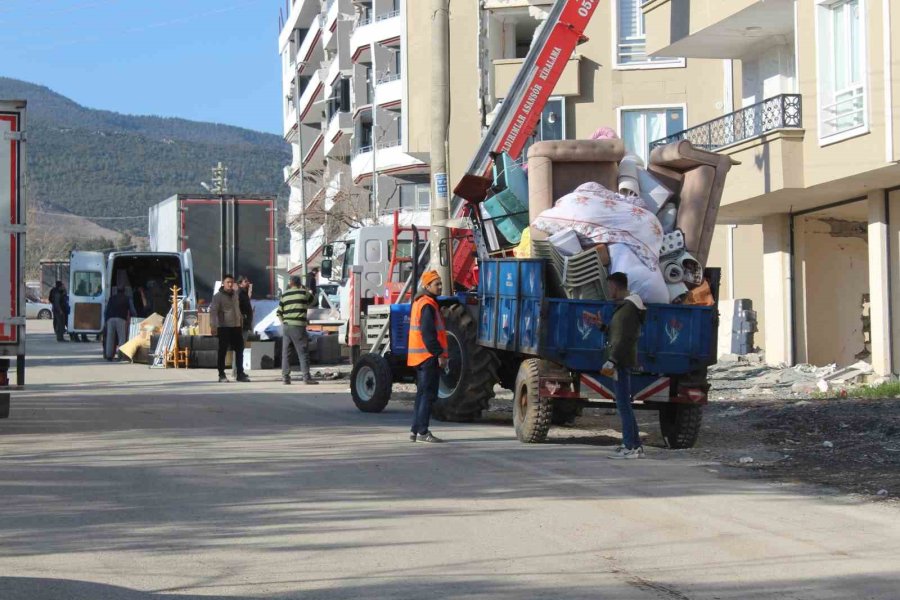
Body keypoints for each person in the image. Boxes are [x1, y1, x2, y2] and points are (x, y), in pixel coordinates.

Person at [601, 272, 647, 459]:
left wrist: (612, 360)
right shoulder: (626, 307)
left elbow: (625, 338)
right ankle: (635, 445)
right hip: (621, 361)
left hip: (620, 362)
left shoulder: (628, 309)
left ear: (616, 286)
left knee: (623, 406)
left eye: (610, 286)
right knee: (625, 404)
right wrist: (601, 326)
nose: (608, 291)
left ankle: (630, 446)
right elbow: (616, 333)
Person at [407, 270, 449, 443]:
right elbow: (428, 334)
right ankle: (423, 431)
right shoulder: (427, 304)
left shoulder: (423, 302)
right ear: (427, 286)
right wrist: (439, 353)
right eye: (436, 284)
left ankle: (415, 430)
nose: (440, 286)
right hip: (428, 356)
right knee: (428, 394)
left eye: (440, 283)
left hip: (421, 357)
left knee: (422, 394)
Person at [278, 275, 318, 385]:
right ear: (299, 283)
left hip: (286, 327)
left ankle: (285, 377)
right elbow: (314, 301)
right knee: (302, 352)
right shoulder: (303, 292)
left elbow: (279, 312)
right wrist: (304, 289)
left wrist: (285, 322)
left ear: (290, 283)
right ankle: (306, 377)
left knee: (286, 353)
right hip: (298, 327)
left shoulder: (284, 294)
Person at [210, 274, 250, 383]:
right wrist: (213, 326)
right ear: (223, 283)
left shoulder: (235, 295)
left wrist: (241, 322)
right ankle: (221, 374)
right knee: (222, 351)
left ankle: (240, 374)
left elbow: (238, 310)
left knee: (239, 350)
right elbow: (213, 312)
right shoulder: (218, 296)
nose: (230, 284)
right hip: (224, 327)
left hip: (236, 327)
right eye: (228, 282)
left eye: (231, 282)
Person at [104, 285, 134, 360]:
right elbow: (132, 310)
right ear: (124, 291)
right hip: (121, 319)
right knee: (122, 338)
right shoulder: (127, 299)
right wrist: (135, 316)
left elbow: (106, 310)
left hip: (110, 319)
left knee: (110, 338)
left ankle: (109, 355)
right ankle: (120, 356)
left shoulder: (111, 298)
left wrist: (106, 320)